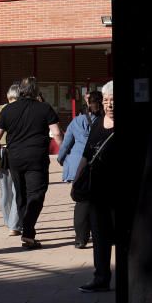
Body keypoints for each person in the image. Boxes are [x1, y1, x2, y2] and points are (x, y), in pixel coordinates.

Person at [0, 76, 61, 249]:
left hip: (15, 159)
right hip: (36, 158)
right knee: (37, 194)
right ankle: (28, 231)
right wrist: (63, 153)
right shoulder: (44, 108)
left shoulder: (8, 110)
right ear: (36, 91)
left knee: (21, 195)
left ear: (20, 91)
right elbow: (56, 133)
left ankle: (27, 231)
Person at [77, 82, 116, 292]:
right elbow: (87, 153)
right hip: (97, 189)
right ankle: (101, 277)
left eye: (113, 100)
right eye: (107, 100)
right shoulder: (98, 122)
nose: (109, 104)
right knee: (100, 236)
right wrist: (77, 177)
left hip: (120, 189)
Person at [58, 90, 103, 249]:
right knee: (100, 202)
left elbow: (66, 142)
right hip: (100, 164)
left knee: (82, 202)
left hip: (80, 166)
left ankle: (80, 238)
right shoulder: (105, 121)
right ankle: (102, 235)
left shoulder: (77, 122)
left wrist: (61, 158)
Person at [0, 83, 22, 236]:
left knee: (5, 191)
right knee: (17, 189)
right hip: (16, 150)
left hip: (1, 151)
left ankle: (8, 220)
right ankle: (14, 224)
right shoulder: (21, 109)